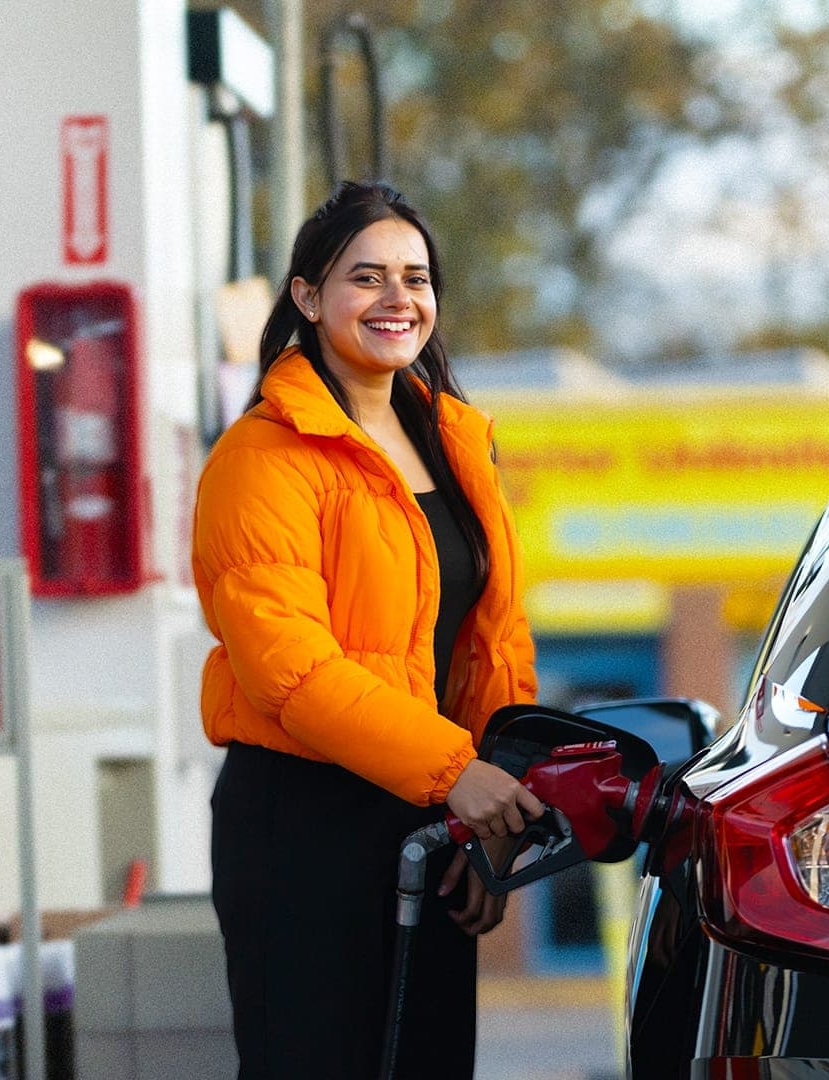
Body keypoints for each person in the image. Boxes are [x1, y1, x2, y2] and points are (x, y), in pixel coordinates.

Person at [194, 180, 545, 1079]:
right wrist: (455, 775)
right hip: (302, 825)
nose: (398, 299)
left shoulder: (455, 444)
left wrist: (491, 811)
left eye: (416, 278)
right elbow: (292, 671)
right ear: (308, 298)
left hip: (431, 815)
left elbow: (491, 643)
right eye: (367, 277)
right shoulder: (262, 459)